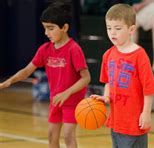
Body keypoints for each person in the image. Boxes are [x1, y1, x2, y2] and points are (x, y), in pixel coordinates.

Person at [0, 2, 90, 148]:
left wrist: (67, 93)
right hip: (56, 99)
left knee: (68, 136)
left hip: (72, 100)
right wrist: (10, 81)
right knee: (51, 136)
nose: (46, 33)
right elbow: (27, 70)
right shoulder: (45, 49)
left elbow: (86, 78)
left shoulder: (74, 49)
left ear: (65, 28)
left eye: (51, 28)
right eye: (45, 28)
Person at [90, 4, 154, 148]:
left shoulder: (140, 55)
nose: (112, 33)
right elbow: (107, 81)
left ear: (131, 29)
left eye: (118, 28)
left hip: (134, 123)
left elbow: (149, 88)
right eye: (109, 28)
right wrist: (106, 97)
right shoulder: (108, 55)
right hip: (116, 121)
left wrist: (146, 113)